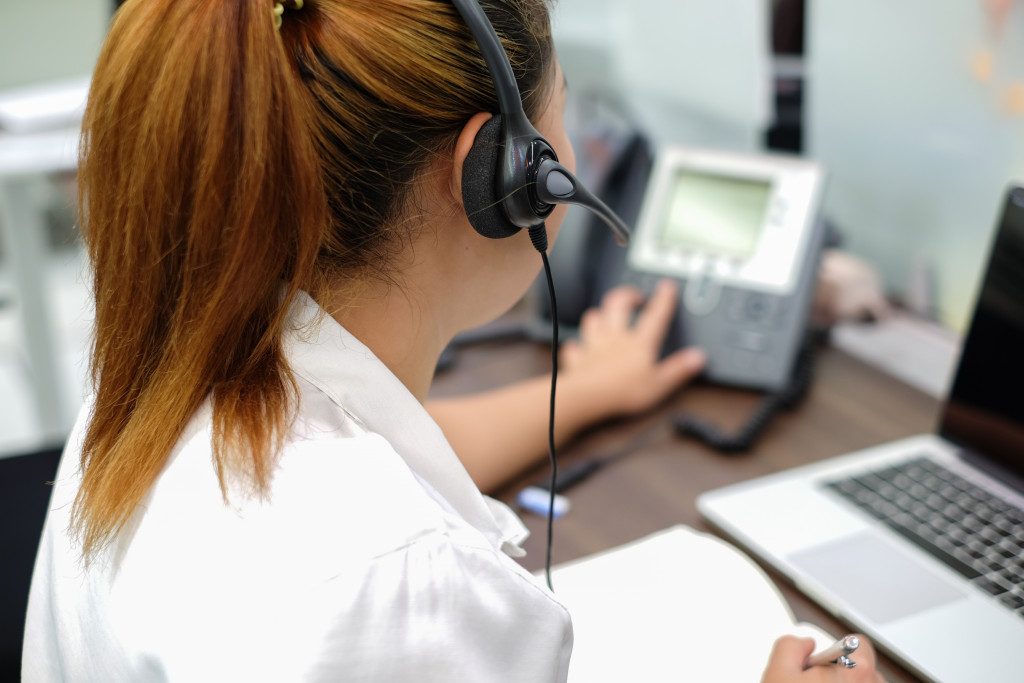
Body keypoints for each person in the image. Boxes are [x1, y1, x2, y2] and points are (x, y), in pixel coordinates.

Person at [22, 0, 884, 681]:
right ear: (497, 173)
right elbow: (381, 549)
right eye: (563, 113)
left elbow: (396, 452)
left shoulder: (173, 367)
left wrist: (589, 390)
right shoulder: (381, 594)